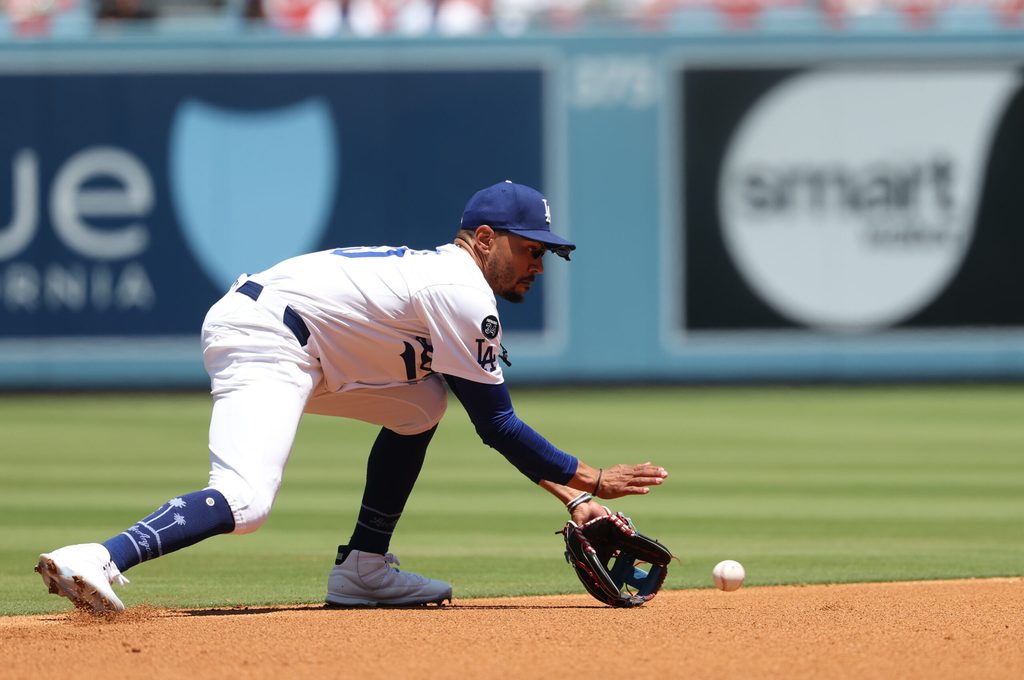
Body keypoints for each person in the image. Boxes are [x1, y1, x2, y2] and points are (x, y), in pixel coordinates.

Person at [36, 180, 669, 612]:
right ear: (483, 238)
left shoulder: (448, 284)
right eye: (529, 248)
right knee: (246, 500)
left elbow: (471, 406)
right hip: (268, 338)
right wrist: (595, 479)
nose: (538, 262)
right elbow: (499, 425)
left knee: (420, 406)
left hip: (310, 351)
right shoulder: (462, 290)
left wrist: (575, 500)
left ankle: (364, 568)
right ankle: (98, 557)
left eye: (546, 253)